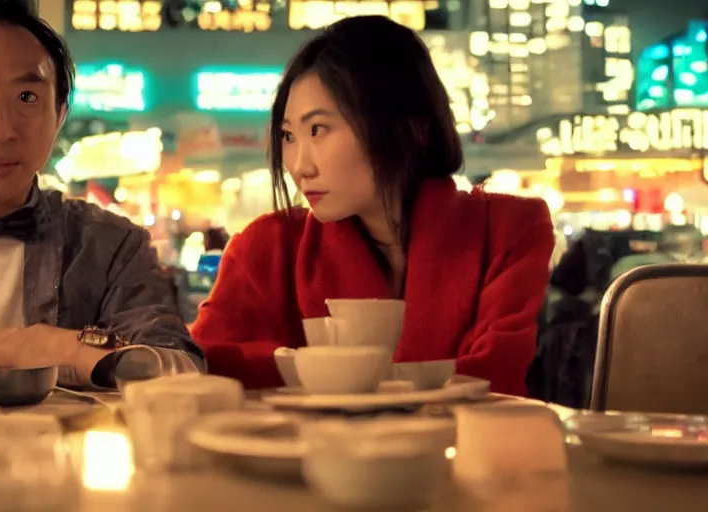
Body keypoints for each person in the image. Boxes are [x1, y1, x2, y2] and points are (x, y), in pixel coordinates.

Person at [190, 16, 554, 395]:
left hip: (462, 451)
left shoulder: (510, 228)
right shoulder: (267, 246)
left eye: (318, 130)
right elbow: (204, 362)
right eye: (288, 136)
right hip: (305, 453)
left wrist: (304, 371)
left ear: (411, 127)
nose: (299, 166)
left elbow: (493, 375)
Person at [0, 0, 205, 389]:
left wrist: (69, 350)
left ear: (59, 115)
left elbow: (181, 372)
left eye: (27, 98)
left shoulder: (111, 245)